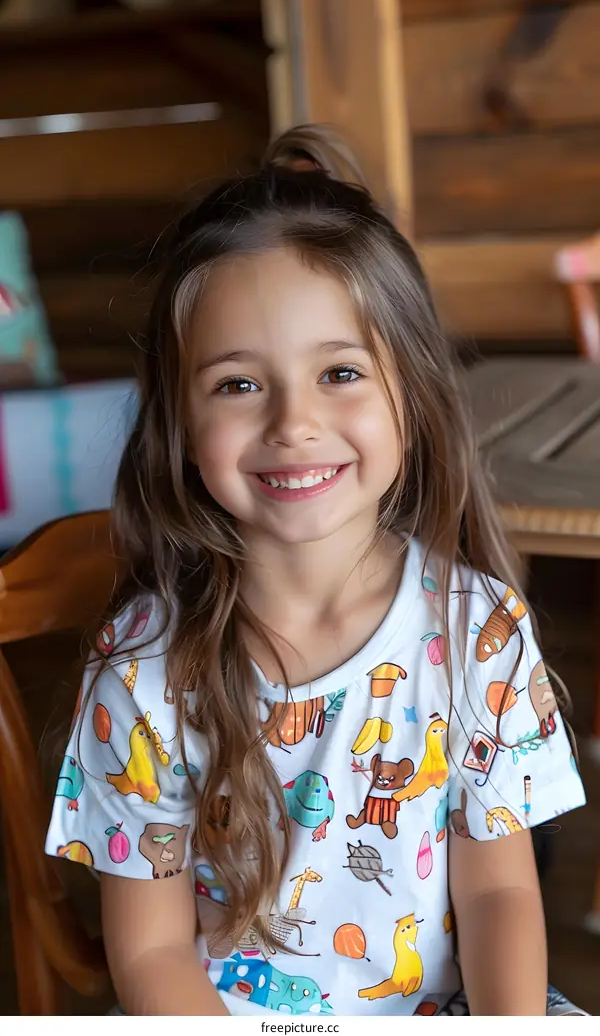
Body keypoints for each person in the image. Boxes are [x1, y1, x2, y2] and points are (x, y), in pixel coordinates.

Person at [46, 125, 587, 1017]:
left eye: (339, 371)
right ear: (179, 424)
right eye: (237, 384)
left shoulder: (476, 631)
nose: (294, 422)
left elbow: (499, 895)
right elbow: (148, 953)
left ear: (410, 392)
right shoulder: (141, 671)